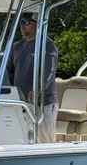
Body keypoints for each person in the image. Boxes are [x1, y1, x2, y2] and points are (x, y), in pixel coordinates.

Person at [6, 13, 59, 143]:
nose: (22, 25)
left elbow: (49, 71)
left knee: (44, 141)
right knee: (21, 139)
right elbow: (8, 73)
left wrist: (37, 90)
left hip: (43, 103)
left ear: (37, 23)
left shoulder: (48, 45)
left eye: (26, 22)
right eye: (20, 22)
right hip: (20, 104)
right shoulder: (15, 47)